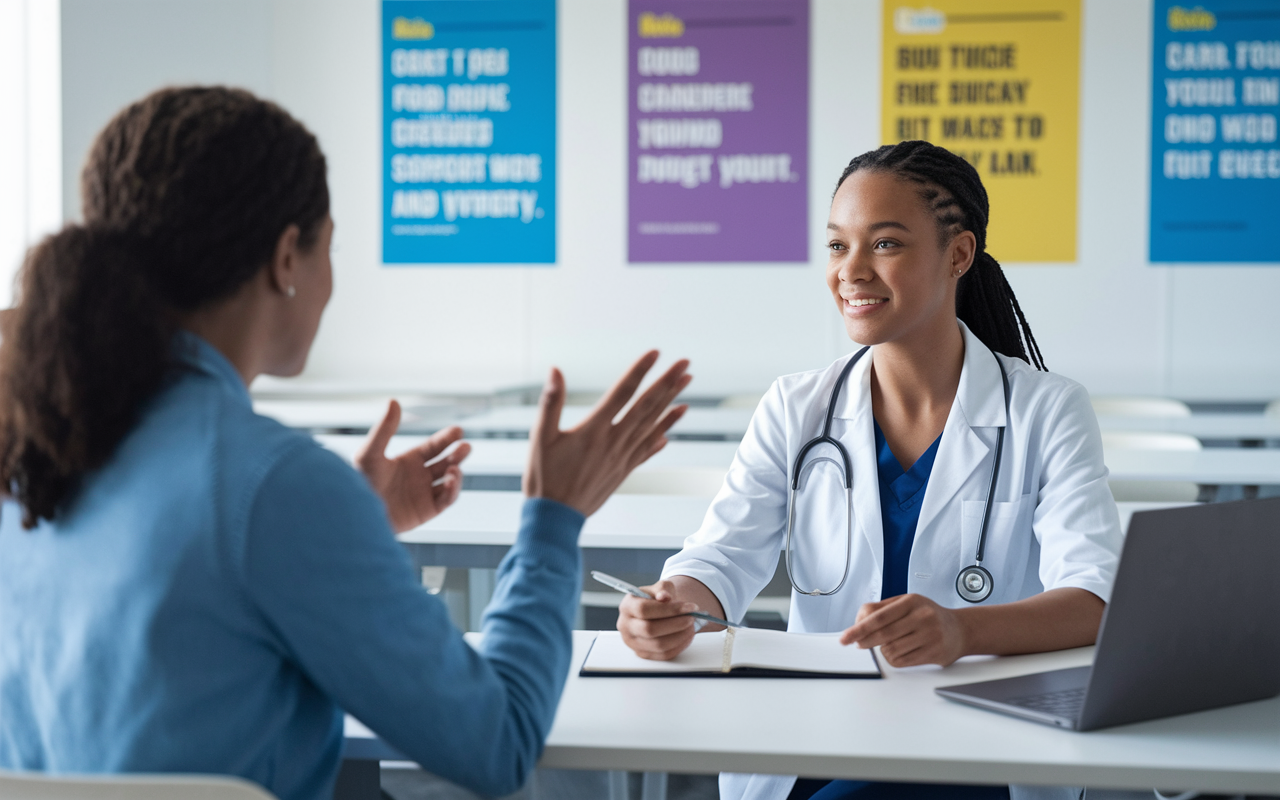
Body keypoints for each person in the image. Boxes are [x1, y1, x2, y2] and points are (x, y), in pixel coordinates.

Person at [0, 86, 692, 800]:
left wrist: (349, 523)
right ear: (286, 260)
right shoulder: (271, 484)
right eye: (329, 248)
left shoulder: (31, 447)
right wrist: (554, 518)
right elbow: (499, 741)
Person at [616, 141, 1123, 800]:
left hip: (976, 737)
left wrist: (961, 630)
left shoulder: (1047, 410)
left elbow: (1097, 598)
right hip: (823, 729)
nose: (851, 270)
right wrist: (673, 607)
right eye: (836, 246)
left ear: (958, 254)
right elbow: (722, 557)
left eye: (884, 244)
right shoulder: (797, 407)